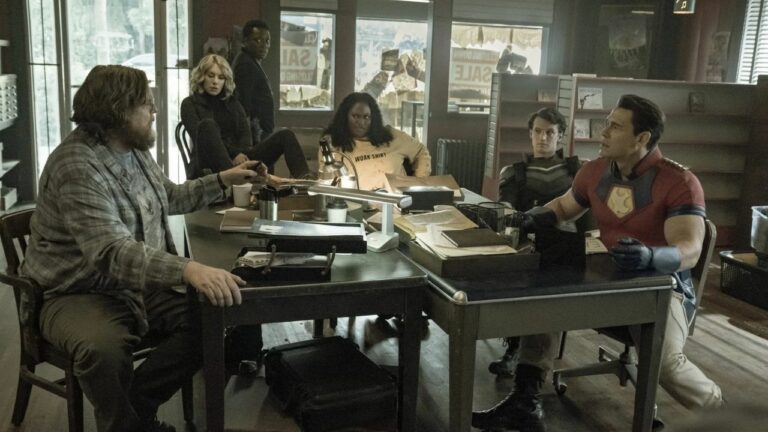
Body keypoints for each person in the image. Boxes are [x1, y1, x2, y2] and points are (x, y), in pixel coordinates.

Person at [22, 65, 263, 432]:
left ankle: (134, 409)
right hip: (76, 291)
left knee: (212, 317)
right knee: (103, 349)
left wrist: (223, 180)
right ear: (117, 110)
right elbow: (110, 251)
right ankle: (128, 423)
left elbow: (169, 196)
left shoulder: (132, 149)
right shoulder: (76, 165)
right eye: (147, 104)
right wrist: (188, 268)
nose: (154, 111)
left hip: (134, 284)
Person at [472, 95, 723, 431]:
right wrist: (527, 218)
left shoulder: (679, 182)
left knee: (667, 366)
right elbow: (563, 207)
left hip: (662, 288)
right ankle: (524, 402)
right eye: (606, 123)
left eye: (615, 126)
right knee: (541, 302)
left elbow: (689, 250)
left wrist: (651, 256)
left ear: (642, 137)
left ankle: (729, 415)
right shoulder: (594, 172)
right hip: (605, 278)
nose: (603, 132)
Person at [491, 107, 580, 377]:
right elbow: (506, 209)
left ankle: (534, 358)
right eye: (538, 132)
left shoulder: (578, 171)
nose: (543, 138)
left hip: (567, 248)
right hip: (526, 244)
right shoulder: (514, 172)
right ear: (530, 134)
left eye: (550, 133)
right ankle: (514, 347)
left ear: (560, 136)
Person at [231, 19, 311, 178]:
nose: (264, 45)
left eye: (267, 41)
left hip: (261, 135)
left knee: (268, 180)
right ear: (245, 41)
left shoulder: (250, 62)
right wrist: (250, 145)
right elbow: (243, 108)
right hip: (254, 141)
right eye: (257, 40)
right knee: (286, 136)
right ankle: (305, 182)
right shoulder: (245, 65)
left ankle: (303, 182)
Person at [321, 91, 431, 191]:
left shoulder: (392, 136)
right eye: (355, 116)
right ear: (345, 117)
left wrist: (418, 184)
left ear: (373, 119)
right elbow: (326, 181)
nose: (361, 122)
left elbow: (421, 151)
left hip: (396, 201)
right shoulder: (331, 143)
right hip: (357, 203)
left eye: (366, 117)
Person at [181, 54, 252, 178]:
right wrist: (234, 154)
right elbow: (204, 140)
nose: (215, 81)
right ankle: (233, 177)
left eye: (221, 77)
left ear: (225, 81)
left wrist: (240, 155)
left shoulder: (233, 104)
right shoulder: (189, 104)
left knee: (283, 135)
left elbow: (245, 136)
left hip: (238, 160)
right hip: (205, 163)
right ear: (201, 77)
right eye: (211, 75)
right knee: (208, 125)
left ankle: (289, 184)